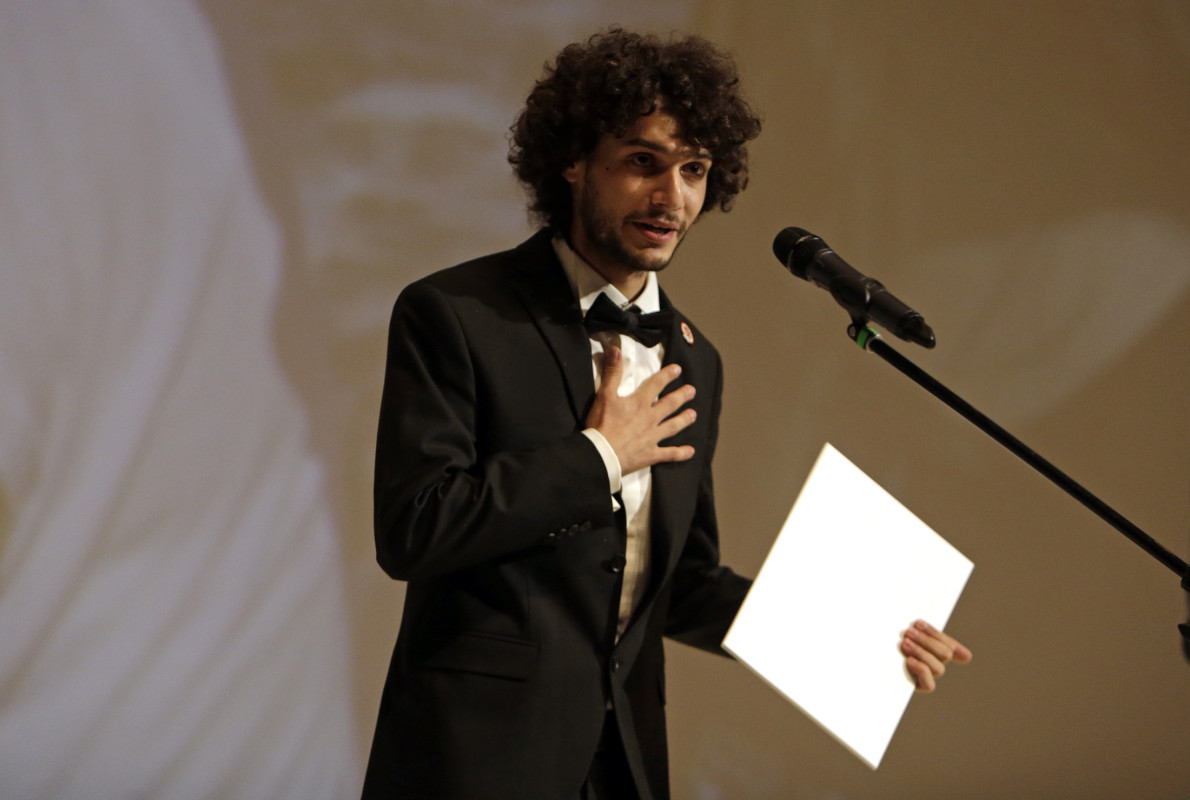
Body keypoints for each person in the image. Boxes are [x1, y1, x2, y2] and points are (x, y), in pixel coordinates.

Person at [362, 27, 971, 800]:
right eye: (643, 162)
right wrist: (598, 457)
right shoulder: (456, 314)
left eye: (694, 170)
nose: (671, 198)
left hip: (622, 764)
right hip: (475, 763)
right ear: (573, 160)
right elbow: (414, 528)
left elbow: (681, 585)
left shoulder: (694, 359)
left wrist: (852, 637)